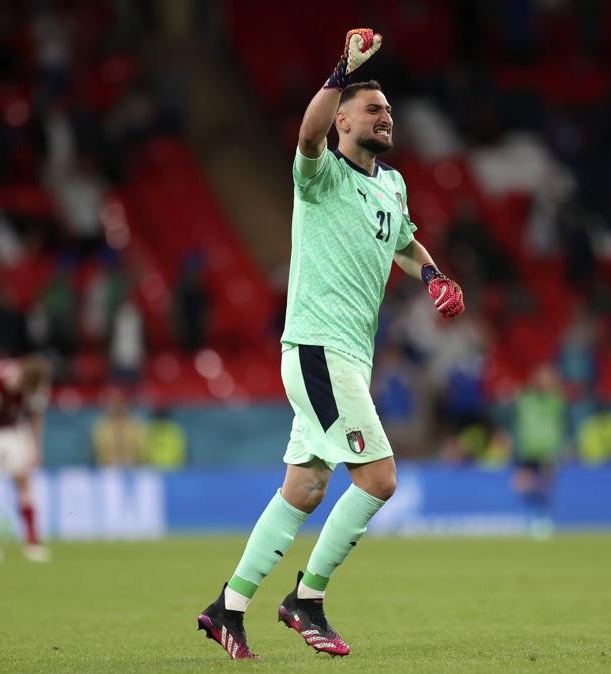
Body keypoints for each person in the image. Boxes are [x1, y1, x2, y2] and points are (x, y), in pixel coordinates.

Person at [196, 29, 465, 661]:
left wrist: (431, 274)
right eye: (373, 109)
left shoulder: (392, 186)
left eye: (388, 109)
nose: (386, 115)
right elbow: (306, 135)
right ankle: (306, 599)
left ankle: (227, 608)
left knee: (305, 488)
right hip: (319, 349)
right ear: (343, 119)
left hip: (344, 356)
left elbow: (402, 240)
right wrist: (343, 69)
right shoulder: (319, 176)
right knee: (379, 478)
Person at [0, 355, 52, 563]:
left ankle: (32, 541)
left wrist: (35, 449)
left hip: (13, 429)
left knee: (23, 480)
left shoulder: (36, 386)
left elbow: (35, 416)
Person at [512, 363, 566, 538]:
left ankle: (543, 519)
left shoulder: (555, 400)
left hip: (548, 449)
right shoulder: (525, 399)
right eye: (541, 377)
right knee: (521, 485)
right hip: (528, 449)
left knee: (546, 484)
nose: (543, 381)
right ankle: (537, 514)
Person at [92, 389, 146, 467]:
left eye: (120, 402)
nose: (117, 406)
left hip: (132, 467)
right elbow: (97, 450)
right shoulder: (102, 426)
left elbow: (141, 451)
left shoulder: (135, 425)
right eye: (114, 402)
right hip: (107, 468)